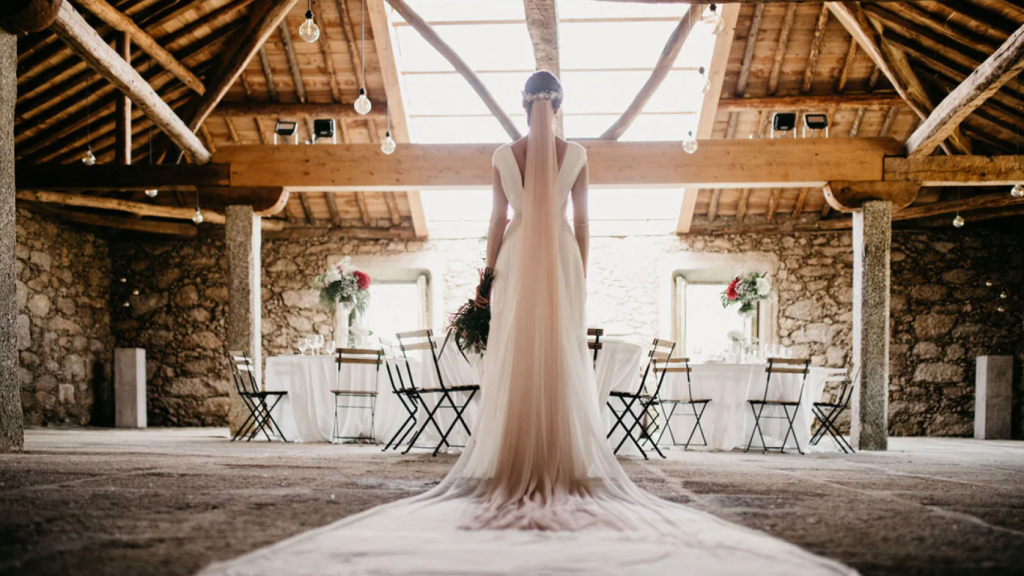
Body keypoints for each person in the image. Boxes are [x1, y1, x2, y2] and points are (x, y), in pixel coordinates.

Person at [200, 72, 854, 575]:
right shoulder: (576, 157)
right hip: (562, 261)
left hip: (515, 260)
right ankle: (563, 455)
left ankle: (512, 454)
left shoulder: (501, 156)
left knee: (514, 357)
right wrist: (579, 273)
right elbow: (583, 224)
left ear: (522, 107)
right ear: (559, 107)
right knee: (560, 356)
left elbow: (495, 224)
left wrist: (487, 282)